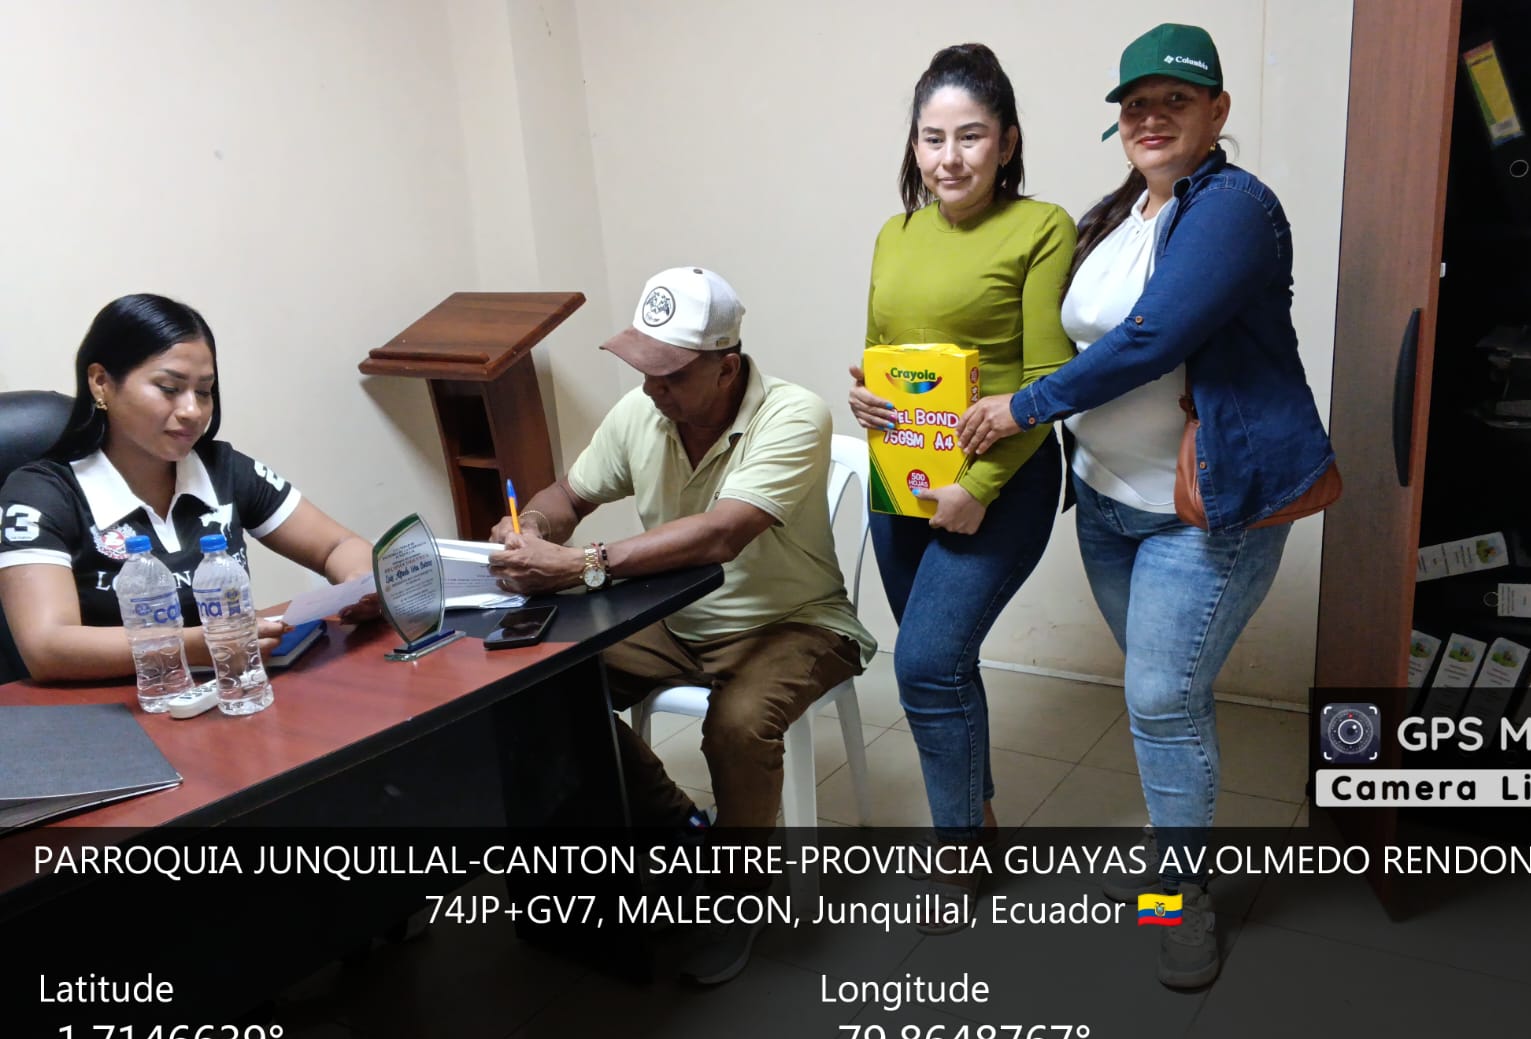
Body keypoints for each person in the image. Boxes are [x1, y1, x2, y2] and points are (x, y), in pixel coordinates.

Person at [956, 24, 1337, 988]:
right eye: (1136, 104)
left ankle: (1180, 898)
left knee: (1161, 702)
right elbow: (1058, 333)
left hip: (1201, 513)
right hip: (1105, 504)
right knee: (1165, 697)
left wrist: (1023, 408)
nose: (1152, 117)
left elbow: (1153, 336)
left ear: (1217, 111)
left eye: (1176, 100)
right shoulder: (1122, 214)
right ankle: (1181, 851)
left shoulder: (1235, 208)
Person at [486, 266, 875, 984]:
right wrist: (531, 526)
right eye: (643, 369)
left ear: (726, 367)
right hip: (672, 615)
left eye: (668, 374)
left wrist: (581, 564)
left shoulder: (794, 414)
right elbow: (569, 493)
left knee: (739, 726)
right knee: (540, 681)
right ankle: (680, 830)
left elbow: (723, 533)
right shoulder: (641, 413)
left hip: (794, 622)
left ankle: (735, 900)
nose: (650, 389)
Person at [846, 43, 1075, 917]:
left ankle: (960, 856)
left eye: (971, 136)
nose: (949, 158)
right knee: (941, 665)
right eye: (932, 137)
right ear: (913, 144)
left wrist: (977, 486)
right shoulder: (894, 233)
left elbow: (1049, 381)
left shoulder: (1042, 227)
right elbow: (881, 352)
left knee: (925, 662)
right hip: (901, 478)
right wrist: (864, 396)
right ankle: (977, 819)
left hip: (1001, 483)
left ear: (1007, 141)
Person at [0, 294, 377, 682]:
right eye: (169, 388)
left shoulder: (221, 468)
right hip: (114, 706)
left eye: (203, 391)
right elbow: (47, 646)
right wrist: (196, 643)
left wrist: (360, 584)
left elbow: (339, 545)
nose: (192, 411)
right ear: (101, 382)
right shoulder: (42, 493)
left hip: (232, 689)